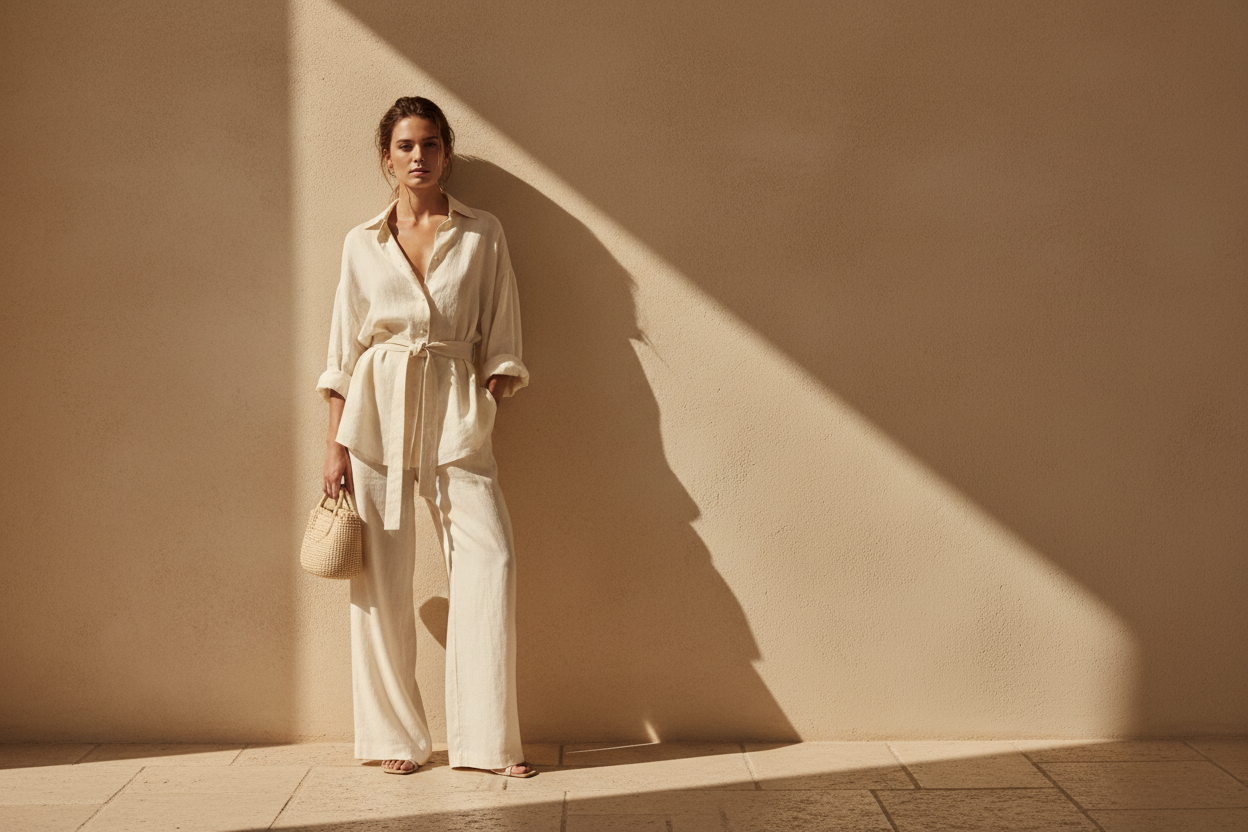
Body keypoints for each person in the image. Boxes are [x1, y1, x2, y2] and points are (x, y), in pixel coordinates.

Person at [316, 96, 535, 778]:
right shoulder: (361, 242)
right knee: (380, 578)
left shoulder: (481, 232)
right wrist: (335, 443)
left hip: (454, 405)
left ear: (445, 152)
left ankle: (487, 746)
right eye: (406, 145)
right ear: (387, 157)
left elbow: (502, 330)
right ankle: (393, 739)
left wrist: (491, 390)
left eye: (431, 144)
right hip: (375, 407)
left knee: (489, 562)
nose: (419, 156)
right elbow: (342, 349)